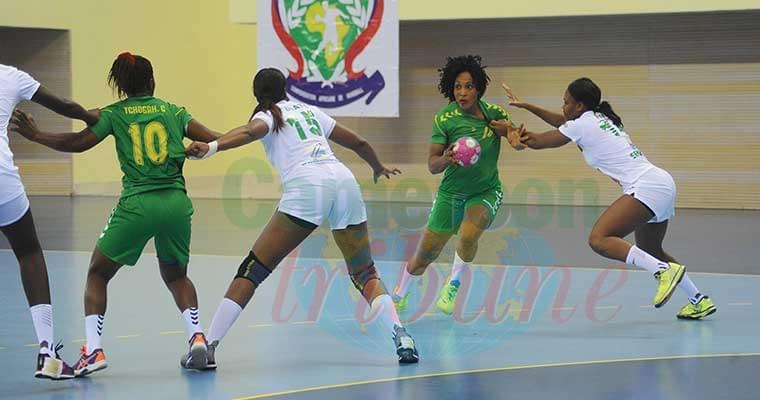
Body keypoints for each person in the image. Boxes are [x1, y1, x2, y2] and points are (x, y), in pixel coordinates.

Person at [185, 67, 418, 364]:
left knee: (253, 269)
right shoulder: (309, 111)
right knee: (365, 273)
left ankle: (210, 348)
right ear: (285, 89)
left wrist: (211, 148)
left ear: (257, 95)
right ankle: (402, 337)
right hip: (344, 182)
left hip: (308, 188)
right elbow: (358, 142)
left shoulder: (266, 117)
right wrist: (377, 166)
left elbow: (248, 131)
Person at [11, 52, 221, 375]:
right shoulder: (174, 111)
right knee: (177, 275)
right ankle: (197, 336)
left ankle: (93, 351)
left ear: (120, 87)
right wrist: (209, 147)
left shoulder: (114, 114)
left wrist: (37, 135)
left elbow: (77, 143)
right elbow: (213, 139)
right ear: (152, 81)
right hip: (177, 205)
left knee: (98, 273)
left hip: (137, 205)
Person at [503, 78, 716, 319]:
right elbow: (562, 122)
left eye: (566, 102)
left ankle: (661, 272)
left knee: (599, 238)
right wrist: (527, 106)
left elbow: (539, 141)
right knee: (651, 249)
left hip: (646, 186)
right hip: (661, 183)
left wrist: (507, 131)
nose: (563, 107)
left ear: (580, 106)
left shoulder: (581, 124)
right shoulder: (597, 118)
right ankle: (698, 299)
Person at [391, 55, 512, 315]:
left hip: (486, 190)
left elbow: (517, 140)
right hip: (451, 193)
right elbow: (432, 165)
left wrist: (511, 133)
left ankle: (453, 284)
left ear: (478, 88)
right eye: (457, 86)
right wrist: (446, 158)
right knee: (425, 255)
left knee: (468, 235)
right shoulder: (445, 119)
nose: (462, 92)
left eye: (468, 86)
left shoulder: (495, 115)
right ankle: (400, 294)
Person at [1, 63, 98, 380]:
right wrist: (89, 117)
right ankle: (46, 351)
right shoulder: (11, 76)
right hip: (3, 184)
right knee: (28, 251)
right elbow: (65, 106)